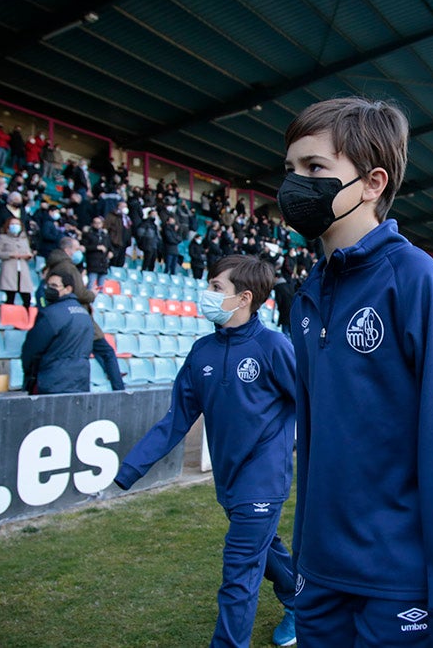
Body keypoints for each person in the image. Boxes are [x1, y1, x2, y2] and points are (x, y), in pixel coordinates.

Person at [279, 97, 433, 646]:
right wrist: (303, 557)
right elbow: (315, 443)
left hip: (398, 582)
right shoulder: (306, 296)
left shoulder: (416, 280)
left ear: (373, 183)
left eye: (315, 169)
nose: (295, 185)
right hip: (320, 576)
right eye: (290, 170)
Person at [114, 255, 297, 647]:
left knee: (238, 573)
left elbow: (312, 404)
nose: (207, 294)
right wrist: (129, 469)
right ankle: (301, 601)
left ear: (243, 298)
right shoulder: (201, 352)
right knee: (265, 552)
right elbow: (176, 419)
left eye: (216, 287)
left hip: (264, 480)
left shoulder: (274, 346)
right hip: (228, 481)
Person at [45, 237, 124, 391]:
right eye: (77, 248)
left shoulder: (53, 267)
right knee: (106, 351)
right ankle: (119, 389)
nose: (80, 251)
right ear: (68, 251)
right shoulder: (68, 268)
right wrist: (92, 294)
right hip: (79, 316)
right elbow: (80, 293)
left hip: (65, 316)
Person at [20, 269, 93, 394]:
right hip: (79, 381)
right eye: (48, 285)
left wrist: (29, 373)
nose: (49, 289)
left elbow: (31, 349)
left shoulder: (51, 314)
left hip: (52, 381)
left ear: (68, 289)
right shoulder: (84, 314)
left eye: (54, 286)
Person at [0, 217, 35, 307]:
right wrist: (10, 254)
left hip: (22, 269)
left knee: (26, 297)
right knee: (10, 296)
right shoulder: (2, 238)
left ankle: (25, 317)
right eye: (12, 224)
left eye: (17, 224)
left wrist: (29, 256)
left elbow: (28, 252)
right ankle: (9, 318)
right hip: (9, 270)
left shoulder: (24, 239)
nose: (15, 226)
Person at [82, 216, 113, 289]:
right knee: (90, 286)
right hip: (93, 264)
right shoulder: (88, 235)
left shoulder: (105, 235)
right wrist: (96, 247)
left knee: (101, 288)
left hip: (103, 264)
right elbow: (84, 247)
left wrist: (111, 252)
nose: (97, 224)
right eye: (95, 223)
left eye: (99, 223)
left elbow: (110, 246)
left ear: (102, 224)